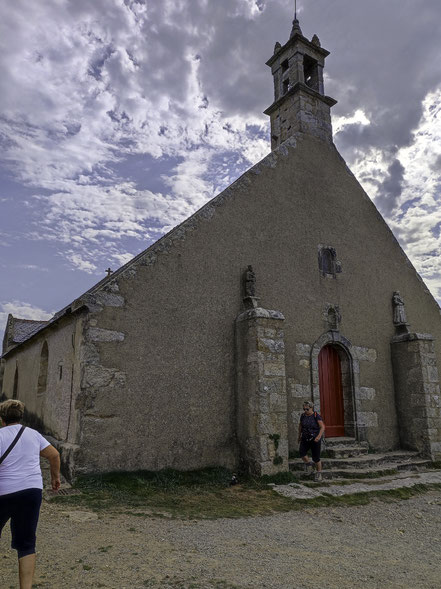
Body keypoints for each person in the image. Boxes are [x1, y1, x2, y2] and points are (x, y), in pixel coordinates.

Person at [0, 400, 61, 589]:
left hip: (4, 492)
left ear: (2, 419)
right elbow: (54, 455)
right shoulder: (34, 435)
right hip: (31, 491)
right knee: (26, 543)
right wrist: (54, 478)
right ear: (21, 416)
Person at [298, 401, 325, 482]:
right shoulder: (303, 416)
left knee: (316, 458)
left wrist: (318, 436)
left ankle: (319, 473)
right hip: (305, 438)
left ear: (311, 408)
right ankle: (309, 465)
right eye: (304, 409)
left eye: (307, 409)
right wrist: (299, 436)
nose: (305, 410)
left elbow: (322, 427)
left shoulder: (316, 416)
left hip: (315, 439)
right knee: (302, 453)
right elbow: (300, 426)